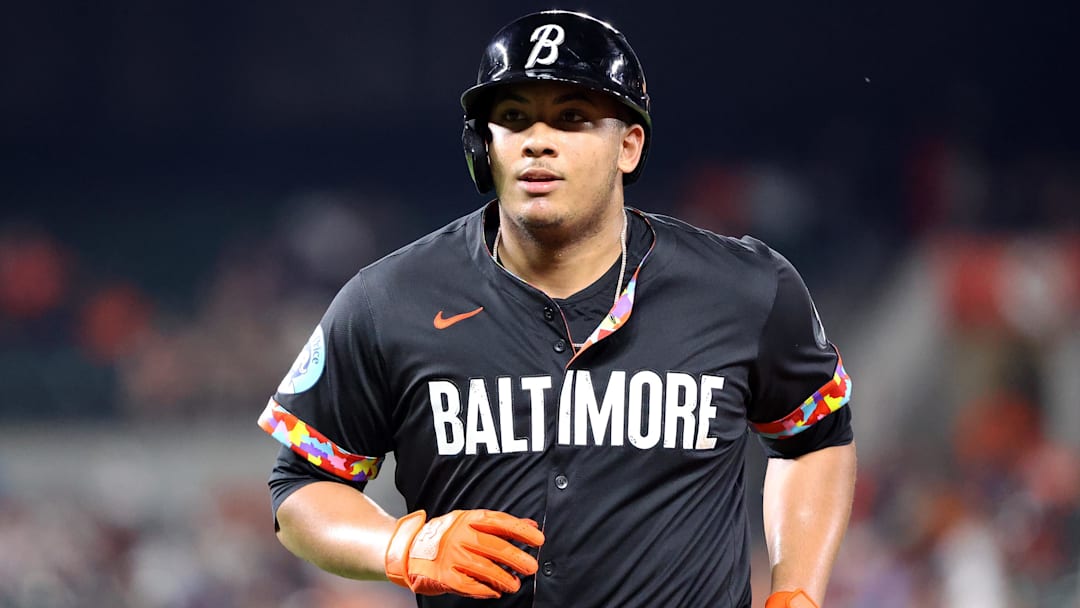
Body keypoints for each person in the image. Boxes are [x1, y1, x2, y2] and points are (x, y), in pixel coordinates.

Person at [258, 9, 857, 608]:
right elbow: (300, 488)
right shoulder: (389, 301)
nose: (537, 140)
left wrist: (798, 590)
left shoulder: (743, 288)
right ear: (483, 146)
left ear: (628, 146)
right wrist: (401, 546)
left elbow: (816, 438)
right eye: (513, 117)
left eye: (571, 117)